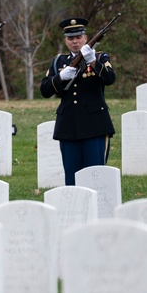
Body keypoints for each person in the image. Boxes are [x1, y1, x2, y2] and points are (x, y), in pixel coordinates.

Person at [40, 16, 115, 185]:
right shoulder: (59, 61)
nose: (75, 41)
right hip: (68, 127)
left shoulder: (100, 57)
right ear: (65, 41)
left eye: (79, 37)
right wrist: (61, 77)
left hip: (95, 125)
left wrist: (92, 61)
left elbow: (110, 78)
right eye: (70, 38)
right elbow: (45, 90)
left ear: (86, 38)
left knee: (96, 177)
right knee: (71, 178)